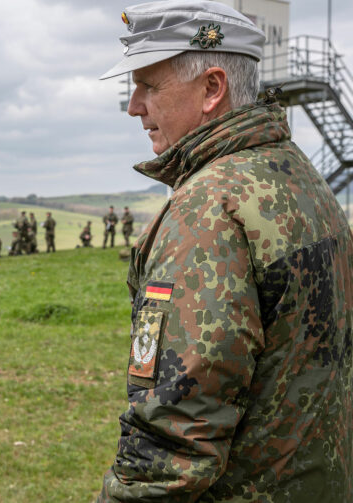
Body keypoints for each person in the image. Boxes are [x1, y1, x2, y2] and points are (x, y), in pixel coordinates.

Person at [97, 2, 353, 501]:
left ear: (212, 88)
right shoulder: (298, 175)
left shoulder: (207, 212)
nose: (134, 106)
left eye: (149, 85)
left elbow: (172, 440)